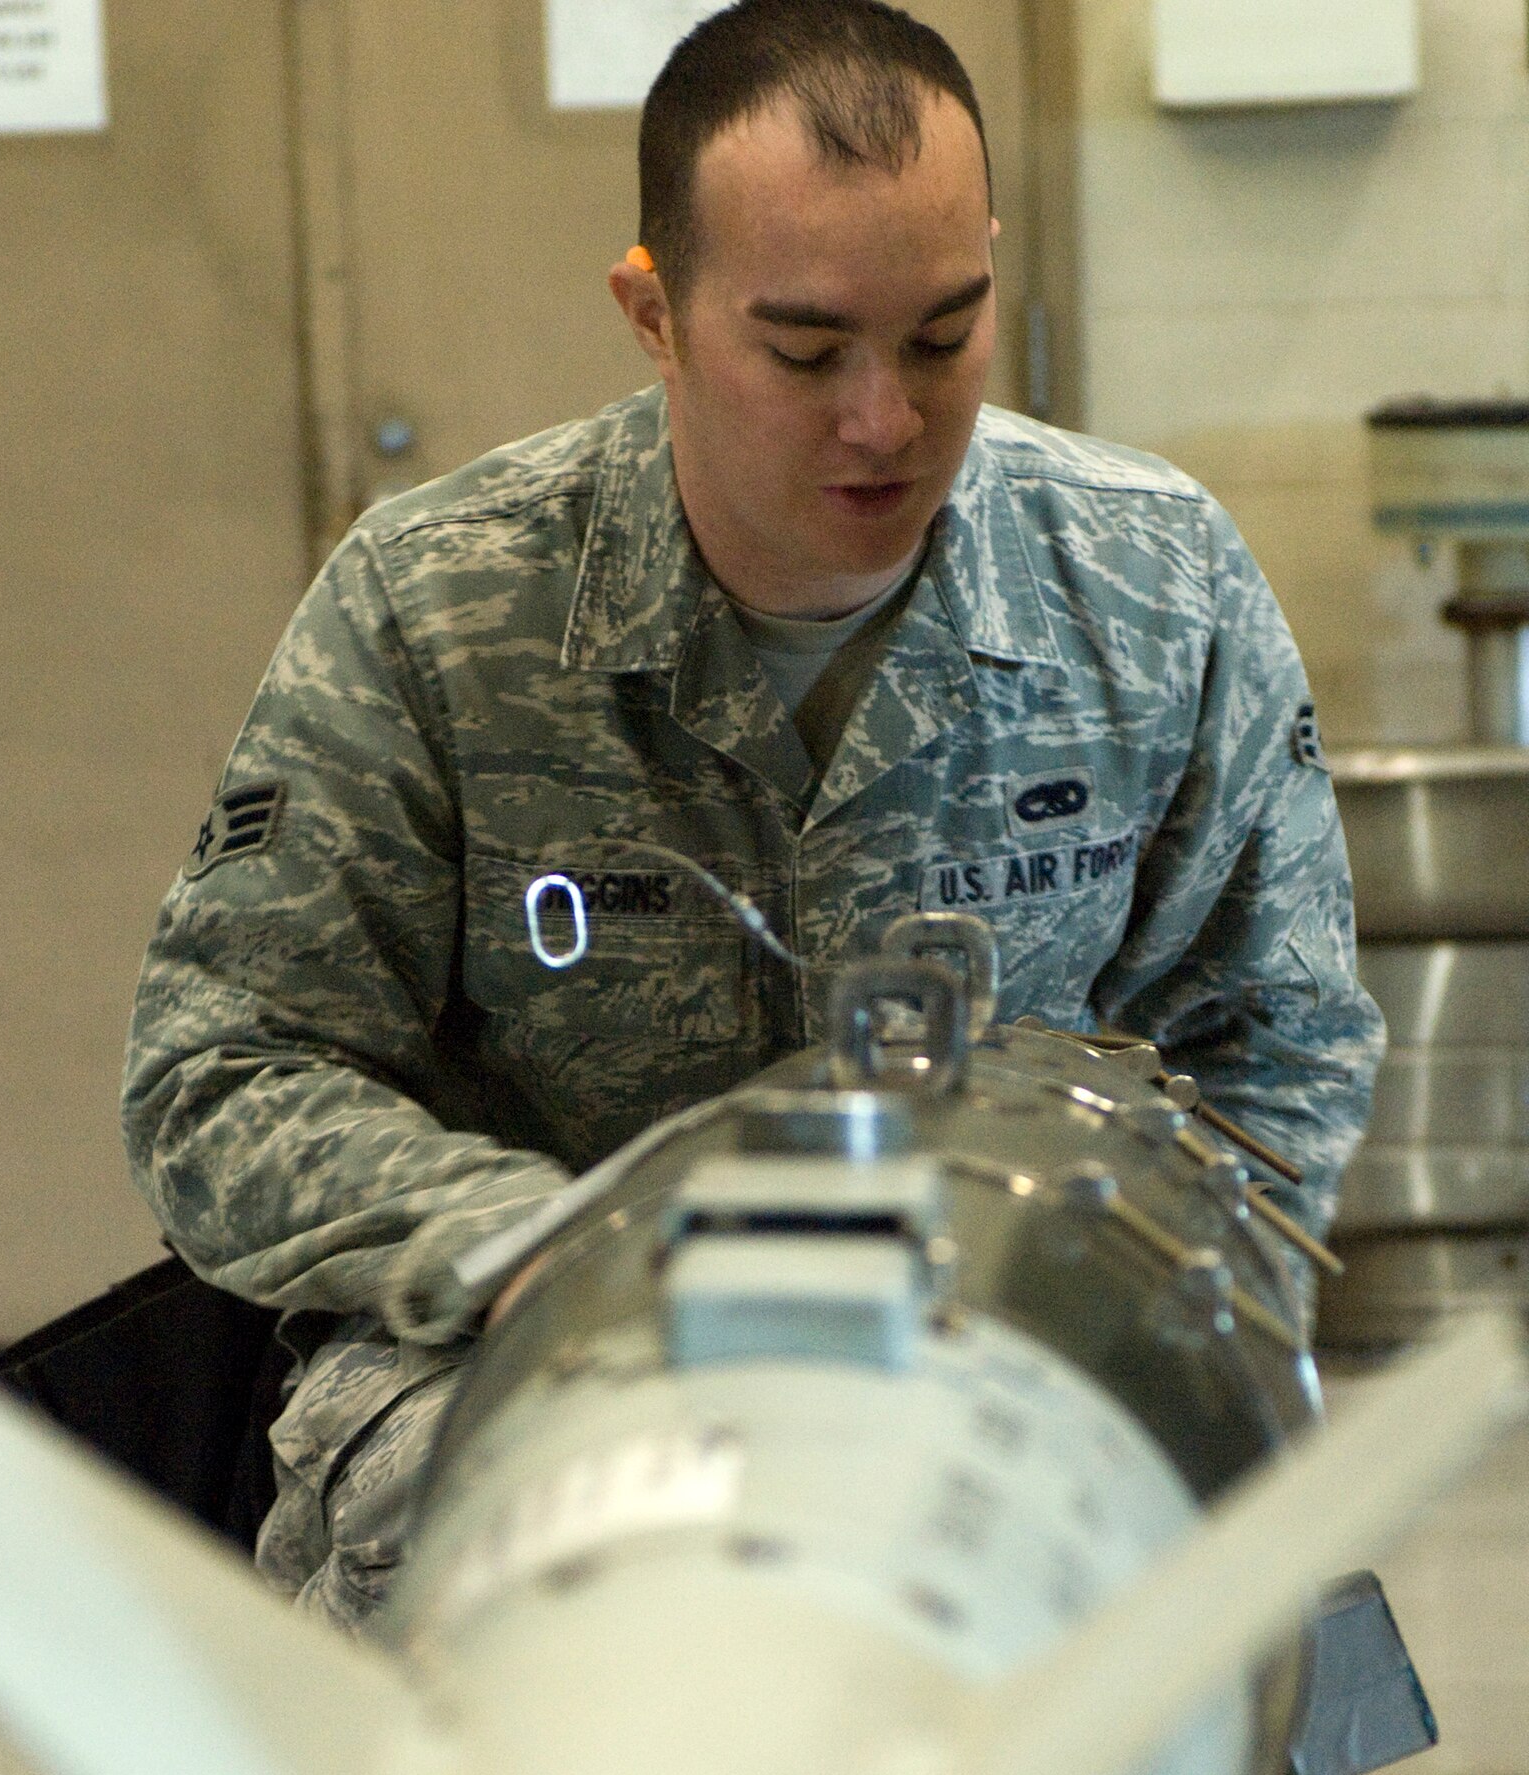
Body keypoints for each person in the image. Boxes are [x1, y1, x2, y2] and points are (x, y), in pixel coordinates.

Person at [123, 0, 1383, 1633]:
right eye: (804, 351)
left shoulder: (1151, 587)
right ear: (653, 314)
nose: (884, 420)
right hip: (542, 1397)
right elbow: (218, 1073)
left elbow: (1277, 1044)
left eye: (945, 335)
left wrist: (1136, 1345)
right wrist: (555, 1243)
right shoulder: (444, 610)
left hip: (997, 1401)